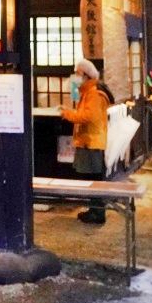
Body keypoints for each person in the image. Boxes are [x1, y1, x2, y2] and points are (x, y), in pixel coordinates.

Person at [59, 59, 112, 225]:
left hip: (91, 141)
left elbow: (89, 117)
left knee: (94, 178)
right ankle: (95, 211)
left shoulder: (94, 93)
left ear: (86, 75)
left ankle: (97, 213)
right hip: (91, 141)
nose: (75, 77)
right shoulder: (90, 91)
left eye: (78, 73)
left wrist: (68, 114)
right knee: (93, 178)